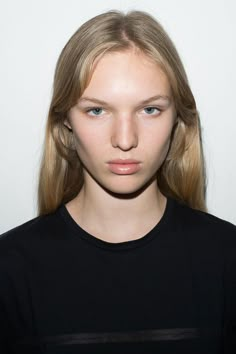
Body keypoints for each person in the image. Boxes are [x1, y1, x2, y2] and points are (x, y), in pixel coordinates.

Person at [0, 9, 235, 354]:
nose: (125, 139)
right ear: (65, 121)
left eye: (149, 109)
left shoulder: (228, 260)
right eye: (97, 110)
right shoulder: (9, 271)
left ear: (178, 120)